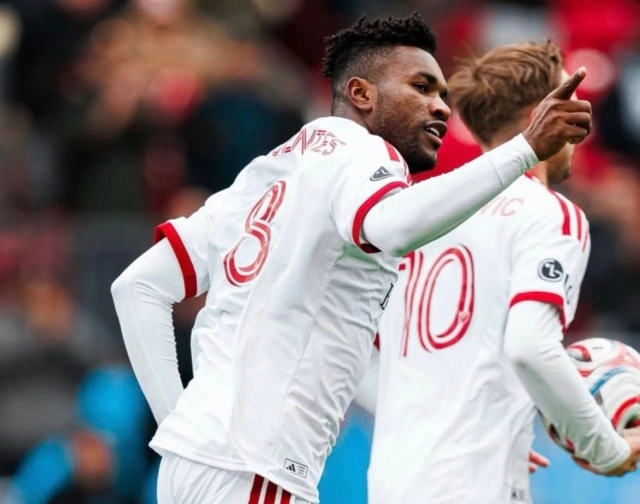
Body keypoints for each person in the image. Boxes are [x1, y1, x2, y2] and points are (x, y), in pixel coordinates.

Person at [111, 14, 596, 504]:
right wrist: (524, 149)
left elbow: (137, 287)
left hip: (199, 464)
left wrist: (178, 426)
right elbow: (394, 227)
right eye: (421, 87)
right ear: (361, 94)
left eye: (443, 94)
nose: (440, 106)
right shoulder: (365, 155)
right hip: (255, 465)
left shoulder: (265, 174)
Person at [354, 41, 640, 504]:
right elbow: (530, 347)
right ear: (539, 115)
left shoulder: (422, 216)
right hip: (474, 485)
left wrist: (506, 424)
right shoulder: (547, 213)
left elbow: (378, 362)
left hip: (393, 483)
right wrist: (603, 447)